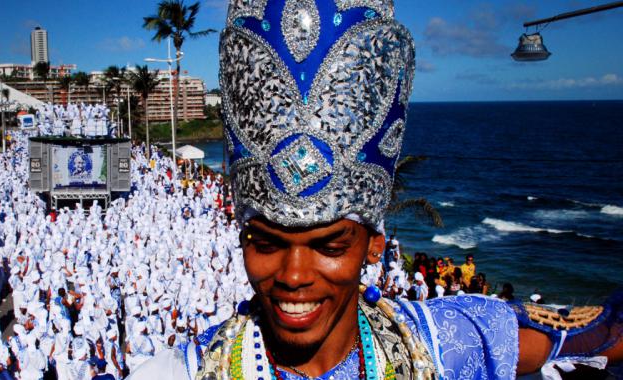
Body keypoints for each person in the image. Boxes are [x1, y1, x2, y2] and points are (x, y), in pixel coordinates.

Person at [128, 1, 623, 378]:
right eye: (268, 241)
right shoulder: (185, 370)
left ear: (374, 246)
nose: (293, 276)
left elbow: (584, 336)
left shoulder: (444, 342)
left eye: (329, 245)